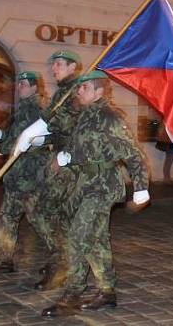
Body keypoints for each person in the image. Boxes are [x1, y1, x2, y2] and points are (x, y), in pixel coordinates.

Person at [41, 71, 149, 318]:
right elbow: (83, 148)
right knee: (95, 239)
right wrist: (65, 158)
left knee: (79, 236)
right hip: (84, 184)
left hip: (103, 186)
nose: (78, 91)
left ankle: (72, 295)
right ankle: (107, 291)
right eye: (78, 88)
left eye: (84, 88)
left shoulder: (110, 117)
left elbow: (134, 154)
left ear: (99, 91)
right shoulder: (85, 115)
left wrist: (141, 188)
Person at [13, 50, 82, 291]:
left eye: (60, 64)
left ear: (73, 67)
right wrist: (38, 140)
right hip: (59, 158)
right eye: (53, 64)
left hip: (70, 164)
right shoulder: (62, 91)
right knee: (53, 215)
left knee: (46, 212)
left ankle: (62, 263)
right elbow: (53, 126)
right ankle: (61, 260)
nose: (54, 68)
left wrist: (35, 134)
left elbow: (72, 126)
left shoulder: (75, 91)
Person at [0, 72, 56, 274]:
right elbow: (17, 136)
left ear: (33, 88)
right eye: (19, 84)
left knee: (39, 218)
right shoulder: (23, 108)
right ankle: (5, 259)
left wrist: (4, 146)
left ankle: (62, 256)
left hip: (31, 175)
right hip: (17, 174)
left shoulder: (40, 108)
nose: (20, 87)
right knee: (7, 215)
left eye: (23, 84)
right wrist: (2, 136)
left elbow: (51, 135)